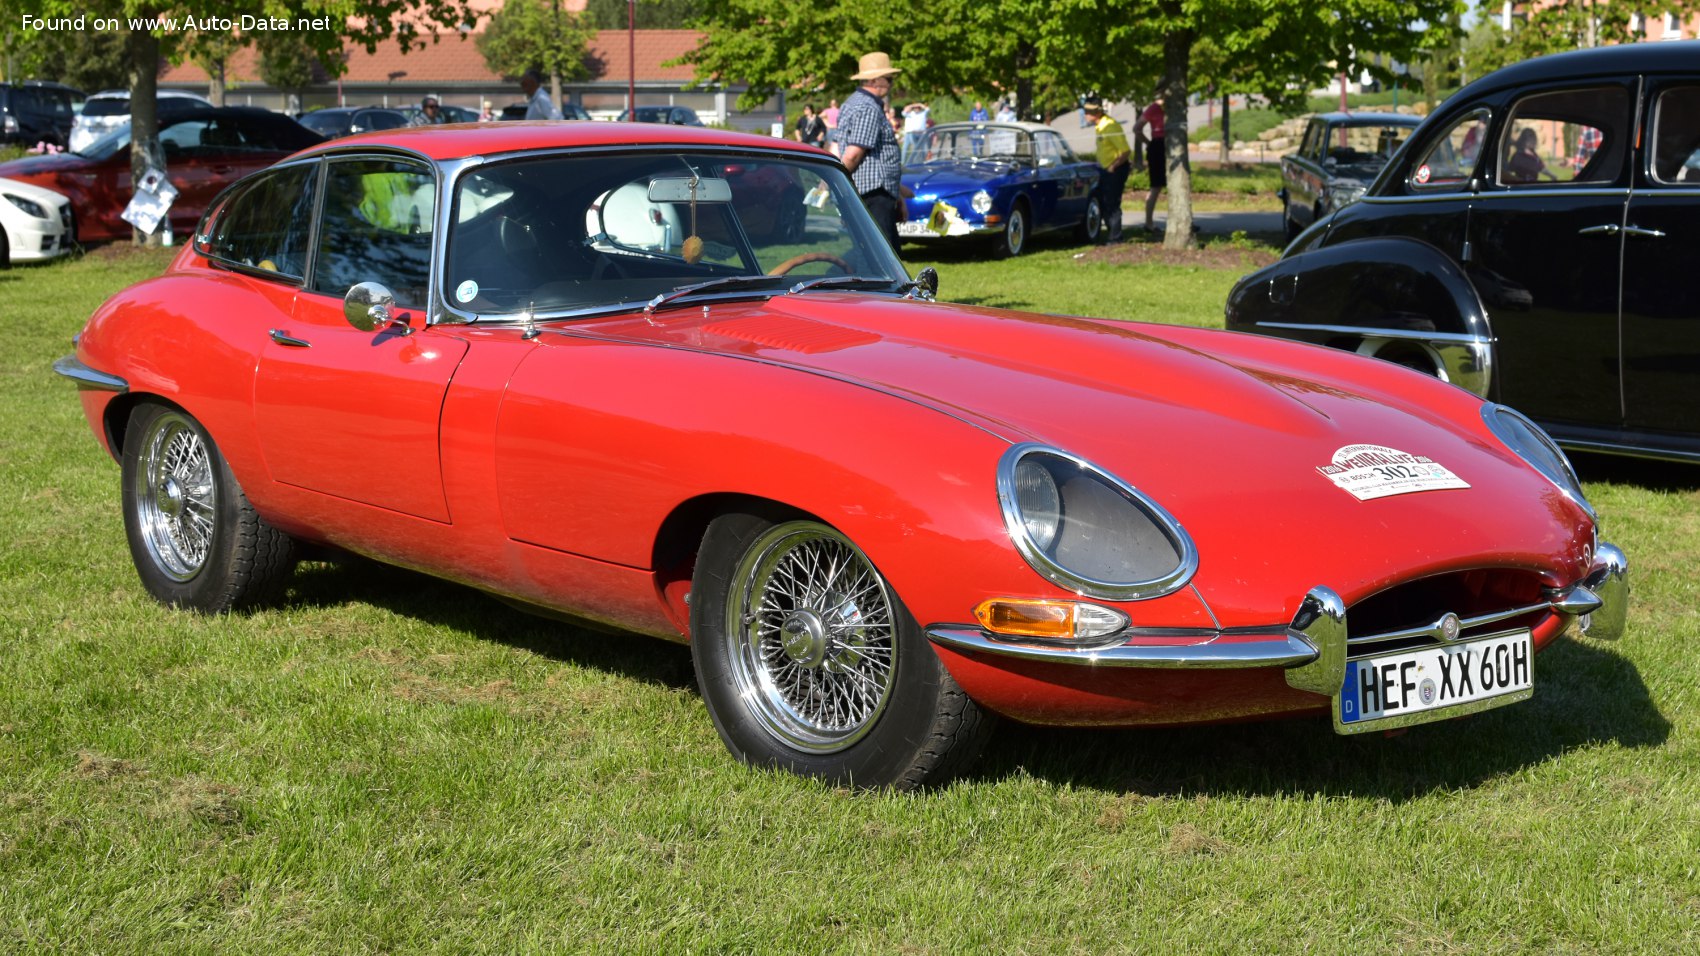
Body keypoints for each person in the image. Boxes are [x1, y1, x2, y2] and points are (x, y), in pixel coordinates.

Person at [839, 52, 909, 251]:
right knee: (882, 255)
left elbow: (838, 147)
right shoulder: (868, 107)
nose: (891, 83)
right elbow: (853, 153)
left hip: (871, 190)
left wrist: (897, 194)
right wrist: (836, 180)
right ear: (873, 80)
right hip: (873, 192)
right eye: (888, 78)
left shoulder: (852, 103)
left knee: (874, 251)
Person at [1081, 96, 1130, 242]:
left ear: (1096, 113)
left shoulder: (1110, 126)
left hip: (1115, 169)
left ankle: (1116, 238)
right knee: (1104, 202)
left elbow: (1126, 151)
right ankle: (1111, 234)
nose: (1085, 115)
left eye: (1087, 112)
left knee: (1112, 203)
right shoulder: (1100, 126)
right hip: (1105, 169)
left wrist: (1112, 166)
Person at [1135, 98, 1167, 231]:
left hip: (1172, 145)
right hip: (1159, 145)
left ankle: (1183, 220)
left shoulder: (1174, 106)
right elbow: (1137, 128)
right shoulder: (1155, 108)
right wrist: (1150, 144)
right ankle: (1148, 223)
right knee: (1156, 187)